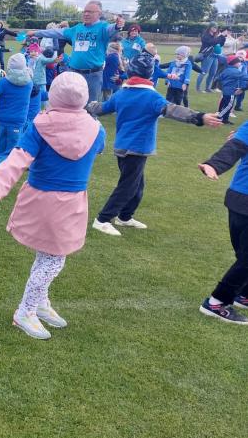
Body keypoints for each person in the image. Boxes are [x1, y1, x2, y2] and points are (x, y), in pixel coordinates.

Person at [0, 72, 106, 339]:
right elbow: (99, 148)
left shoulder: (41, 125)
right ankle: (25, 310)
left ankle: (39, 303)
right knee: (53, 261)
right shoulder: (96, 129)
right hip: (66, 203)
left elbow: (16, 159)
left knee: (47, 256)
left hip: (42, 199)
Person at [88, 52, 221, 236]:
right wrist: (200, 117)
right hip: (135, 149)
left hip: (125, 147)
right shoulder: (151, 97)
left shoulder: (122, 94)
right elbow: (173, 110)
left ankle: (125, 217)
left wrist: (87, 104)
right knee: (128, 186)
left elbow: (101, 108)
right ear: (150, 73)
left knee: (137, 186)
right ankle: (102, 219)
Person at [197, 123, 248, 324]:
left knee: (244, 256)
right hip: (242, 199)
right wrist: (214, 164)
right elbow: (235, 146)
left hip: (238, 200)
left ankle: (243, 295)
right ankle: (216, 303)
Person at [30, 0, 124, 102]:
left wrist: (117, 26)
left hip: (93, 76)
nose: (86, 14)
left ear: (99, 14)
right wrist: (36, 33)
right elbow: (56, 32)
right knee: (70, 102)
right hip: (74, 73)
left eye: (90, 12)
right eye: (85, 11)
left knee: (90, 105)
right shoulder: (77, 28)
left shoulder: (102, 27)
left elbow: (111, 28)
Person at [215, 53, 247, 124]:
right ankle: (219, 117)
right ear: (235, 63)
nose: (240, 63)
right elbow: (244, 77)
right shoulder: (236, 72)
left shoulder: (226, 70)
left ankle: (225, 120)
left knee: (225, 104)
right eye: (239, 62)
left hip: (225, 91)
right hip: (230, 92)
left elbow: (219, 78)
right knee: (228, 106)